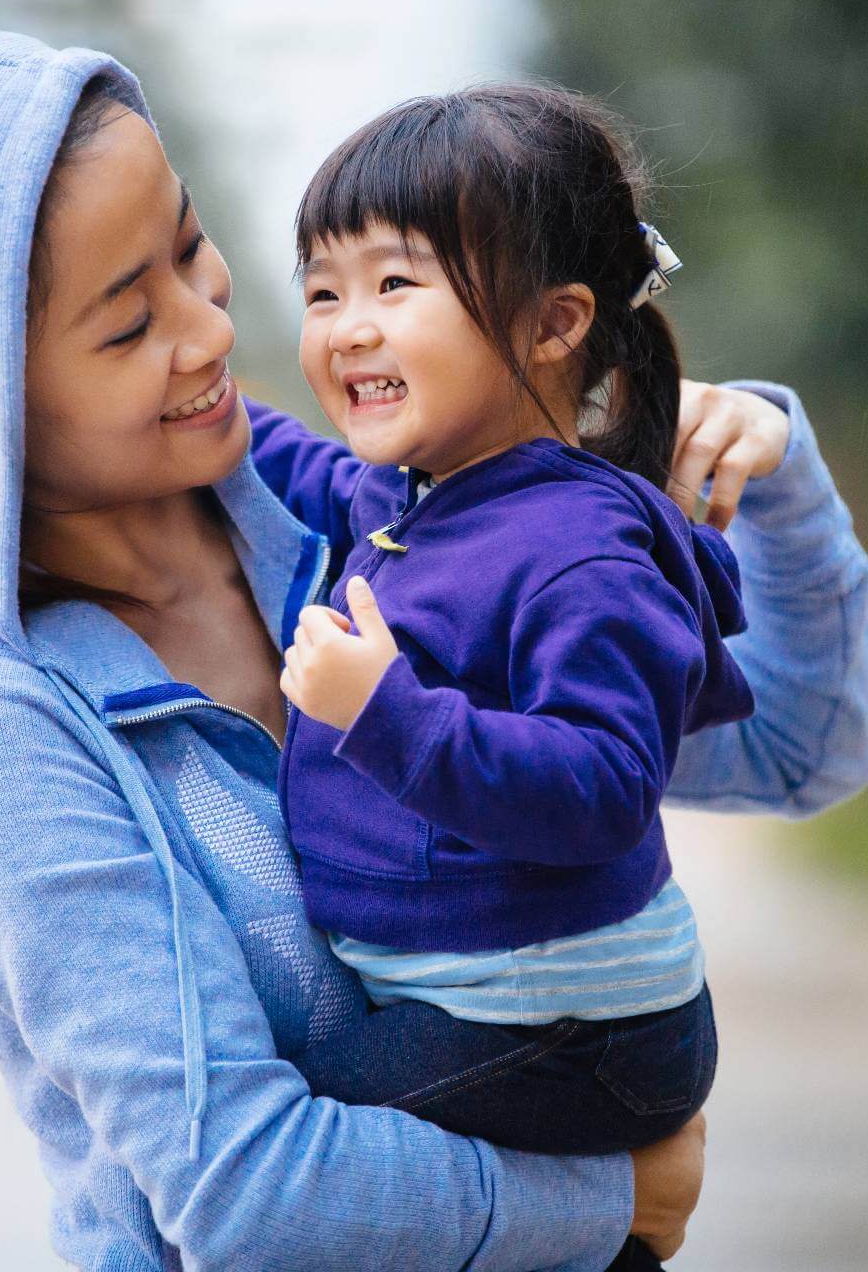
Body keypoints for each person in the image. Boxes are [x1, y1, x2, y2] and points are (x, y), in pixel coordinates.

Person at [0, 28, 868, 1272]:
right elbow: (245, 1187)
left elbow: (795, 751)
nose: (212, 330)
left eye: (188, 245)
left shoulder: (387, 521)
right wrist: (612, 1204)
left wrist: (775, 478)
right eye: (128, 326)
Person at [267, 83, 757, 1270]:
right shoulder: (413, 487)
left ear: (553, 324)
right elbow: (312, 470)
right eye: (323, 290)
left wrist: (387, 713)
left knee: (284, 1130)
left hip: (581, 1032)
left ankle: (614, 1223)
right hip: (500, 1001)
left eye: (395, 283)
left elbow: (601, 785)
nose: (346, 325)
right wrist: (207, 412)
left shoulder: (582, 553)